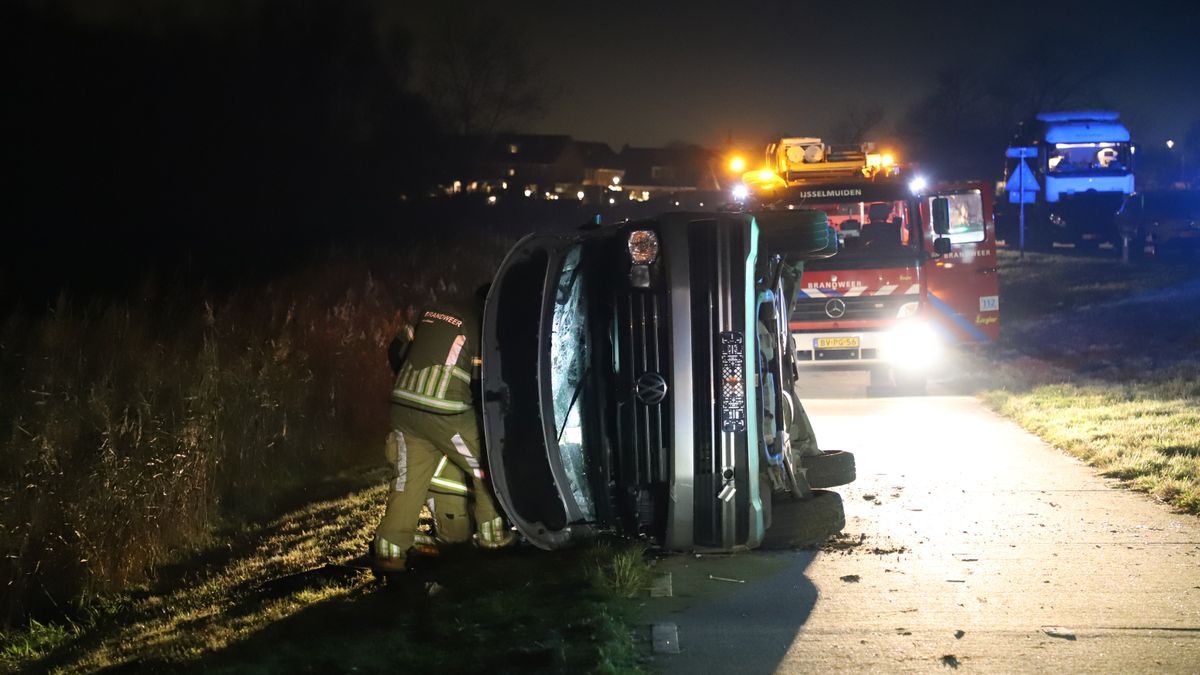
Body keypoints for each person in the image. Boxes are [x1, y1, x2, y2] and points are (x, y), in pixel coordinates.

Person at [372, 288, 514, 573]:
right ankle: (493, 537)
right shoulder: (484, 322)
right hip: (446, 410)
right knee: (487, 465)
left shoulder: (433, 309)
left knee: (407, 481)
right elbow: (483, 382)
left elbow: (396, 348)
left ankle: (390, 554)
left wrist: (412, 383)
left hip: (403, 407)